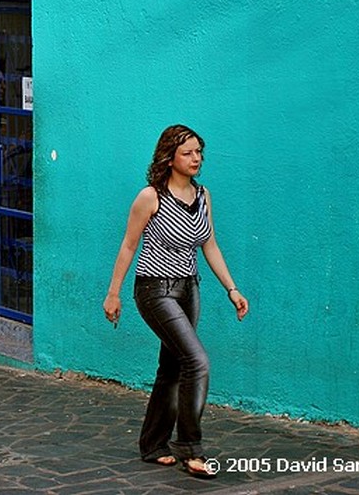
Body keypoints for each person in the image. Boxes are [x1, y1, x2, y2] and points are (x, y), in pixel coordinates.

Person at [102, 124, 249, 479]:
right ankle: (190, 446)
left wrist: (232, 288)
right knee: (197, 361)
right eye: (188, 152)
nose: (196, 158)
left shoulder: (203, 195)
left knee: (172, 369)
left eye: (199, 151)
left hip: (189, 289)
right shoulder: (150, 197)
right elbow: (128, 245)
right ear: (169, 158)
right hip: (154, 290)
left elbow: (209, 245)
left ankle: (153, 444)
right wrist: (113, 292)